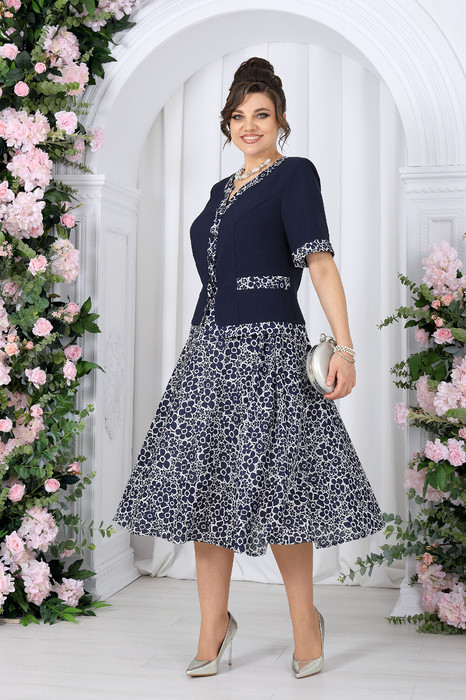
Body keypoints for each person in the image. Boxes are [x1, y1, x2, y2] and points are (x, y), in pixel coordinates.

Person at [112, 57, 385, 679]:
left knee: (285, 492)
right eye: (238, 116)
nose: (249, 125)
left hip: (270, 352)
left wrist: (345, 349)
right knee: (205, 490)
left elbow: (319, 264)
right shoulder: (219, 192)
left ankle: (305, 623)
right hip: (209, 352)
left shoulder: (295, 176)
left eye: (261, 114)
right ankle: (213, 627)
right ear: (227, 124)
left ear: (281, 119)